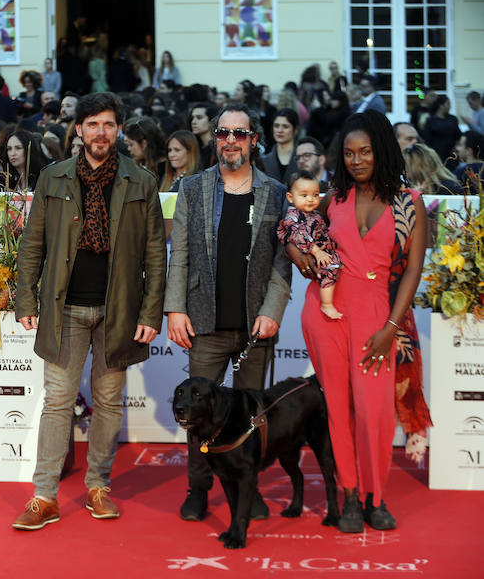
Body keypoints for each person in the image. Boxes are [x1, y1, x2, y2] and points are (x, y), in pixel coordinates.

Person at [12, 92, 167, 530]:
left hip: (118, 310)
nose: (101, 132)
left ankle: (99, 486)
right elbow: (32, 245)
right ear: (78, 129)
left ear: (118, 130)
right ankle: (44, 496)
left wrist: (150, 313)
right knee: (57, 402)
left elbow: (157, 255)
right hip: (64, 309)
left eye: (108, 125)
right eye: (93, 124)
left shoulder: (141, 181)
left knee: (108, 402)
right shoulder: (53, 178)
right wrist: (26, 298)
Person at [293, 110, 429, 532]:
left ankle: (376, 496)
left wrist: (391, 328)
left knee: (375, 411)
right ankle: (349, 495)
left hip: (377, 317)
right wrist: (301, 260)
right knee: (338, 408)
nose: (356, 160)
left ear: (382, 151)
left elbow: (412, 270)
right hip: (327, 312)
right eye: (349, 153)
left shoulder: (409, 202)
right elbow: (294, 235)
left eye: (365, 151)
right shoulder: (331, 198)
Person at [165, 102, 291, 523]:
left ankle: (246, 491)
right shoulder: (193, 188)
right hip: (204, 320)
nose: (231, 141)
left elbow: (281, 261)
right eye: (223, 133)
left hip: (256, 326)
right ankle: (198, 490)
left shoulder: (275, 192)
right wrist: (175, 309)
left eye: (239, 133)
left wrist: (273, 310)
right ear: (214, 139)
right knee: (199, 417)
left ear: (254, 140)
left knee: (252, 420)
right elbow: (179, 252)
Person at [277, 169, 342, 319]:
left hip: (322, 250)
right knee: (329, 268)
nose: (311, 199)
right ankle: (327, 304)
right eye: (304, 195)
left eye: (315, 194)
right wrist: (317, 251)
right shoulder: (292, 217)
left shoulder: (316, 215)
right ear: (290, 197)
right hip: (311, 254)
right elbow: (299, 236)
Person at [261, 108, 300, 182]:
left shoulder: (302, 161)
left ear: (296, 130)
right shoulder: (263, 161)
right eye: (276, 126)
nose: (280, 130)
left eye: (285, 126)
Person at [421, 95, 462, 164]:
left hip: (451, 154)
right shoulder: (431, 120)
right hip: (437, 154)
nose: (450, 107)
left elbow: (458, 135)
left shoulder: (453, 119)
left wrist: (457, 147)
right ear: (441, 105)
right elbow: (427, 139)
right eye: (448, 104)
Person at [187, 102, 219, 171]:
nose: (193, 122)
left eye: (199, 117)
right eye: (192, 118)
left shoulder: (217, 149)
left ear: (211, 121)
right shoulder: (194, 148)